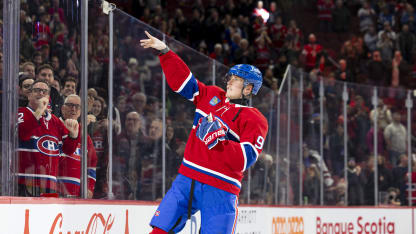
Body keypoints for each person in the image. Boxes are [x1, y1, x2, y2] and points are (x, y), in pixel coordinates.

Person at [140, 31, 268, 233]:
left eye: (236, 79)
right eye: (230, 77)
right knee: (160, 229)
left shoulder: (255, 118)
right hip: (188, 177)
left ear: (248, 88)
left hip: (221, 188)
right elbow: (183, 83)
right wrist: (165, 52)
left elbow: (245, 160)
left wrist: (220, 141)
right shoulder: (212, 95)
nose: (229, 81)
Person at [17, 80, 80, 197]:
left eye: (44, 91)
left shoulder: (55, 121)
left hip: (50, 182)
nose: (41, 93)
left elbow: (68, 150)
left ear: (48, 96)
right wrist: (39, 111)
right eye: (37, 90)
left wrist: (73, 135)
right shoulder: (21, 112)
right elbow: (23, 133)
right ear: (29, 95)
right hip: (25, 180)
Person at [58, 94, 97, 198]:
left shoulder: (85, 137)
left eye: (77, 106)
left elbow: (92, 163)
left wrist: (89, 187)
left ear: (80, 112)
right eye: (70, 105)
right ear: (62, 108)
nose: (73, 109)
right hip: (55, 190)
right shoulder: (55, 126)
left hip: (77, 193)